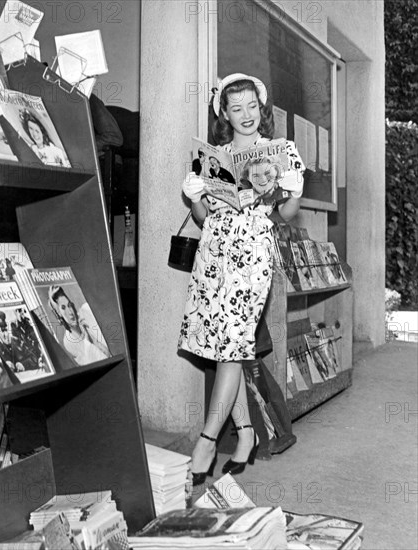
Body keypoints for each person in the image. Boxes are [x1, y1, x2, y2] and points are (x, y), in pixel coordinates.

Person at [178, 73, 305, 485]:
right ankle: (246, 434)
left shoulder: (280, 152)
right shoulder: (213, 157)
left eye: (252, 105)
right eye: (237, 108)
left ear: (261, 107)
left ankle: (207, 440)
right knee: (220, 346)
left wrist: (294, 191)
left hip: (253, 256)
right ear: (225, 114)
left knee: (232, 346)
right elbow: (202, 219)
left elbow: (284, 217)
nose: (247, 115)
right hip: (214, 254)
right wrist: (196, 195)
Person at [48, 286, 111, 366]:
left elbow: (109, 352)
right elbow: (97, 363)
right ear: (59, 314)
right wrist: (88, 341)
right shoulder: (69, 342)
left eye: (69, 305)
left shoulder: (86, 311)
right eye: (63, 308)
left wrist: (93, 337)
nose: (70, 312)